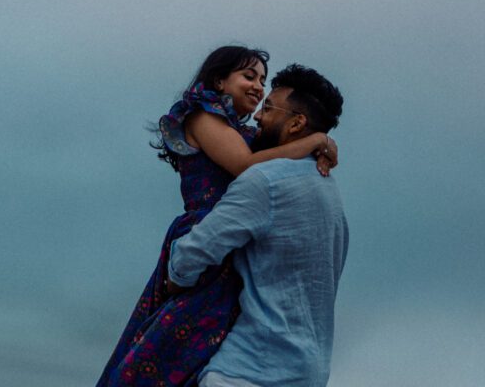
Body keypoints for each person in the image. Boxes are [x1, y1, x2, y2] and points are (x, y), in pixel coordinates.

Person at [95, 47, 338, 387]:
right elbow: (245, 166)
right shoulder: (202, 117)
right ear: (219, 80)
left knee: (209, 336)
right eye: (249, 76)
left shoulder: (246, 135)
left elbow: (273, 158)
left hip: (231, 238)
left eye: (263, 81)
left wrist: (318, 146)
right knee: (173, 334)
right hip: (205, 230)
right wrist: (315, 140)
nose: (258, 87)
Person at [167, 64, 348, 387]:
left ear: (296, 123)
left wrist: (175, 278)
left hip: (246, 372)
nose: (258, 117)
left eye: (269, 108)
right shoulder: (330, 192)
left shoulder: (264, 181)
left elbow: (193, 253)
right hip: (309, 374)